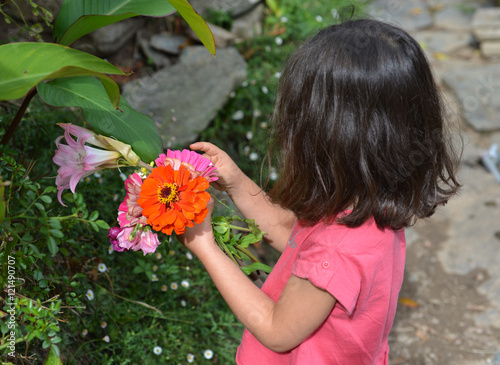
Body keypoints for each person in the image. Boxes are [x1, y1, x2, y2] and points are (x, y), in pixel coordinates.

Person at [179, 16, 461, 365]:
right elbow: (294, 238)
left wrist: (203, 244)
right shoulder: (370, 207)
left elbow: (275, 329)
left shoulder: (338, 247)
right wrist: (236, 182)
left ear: (327, 138)